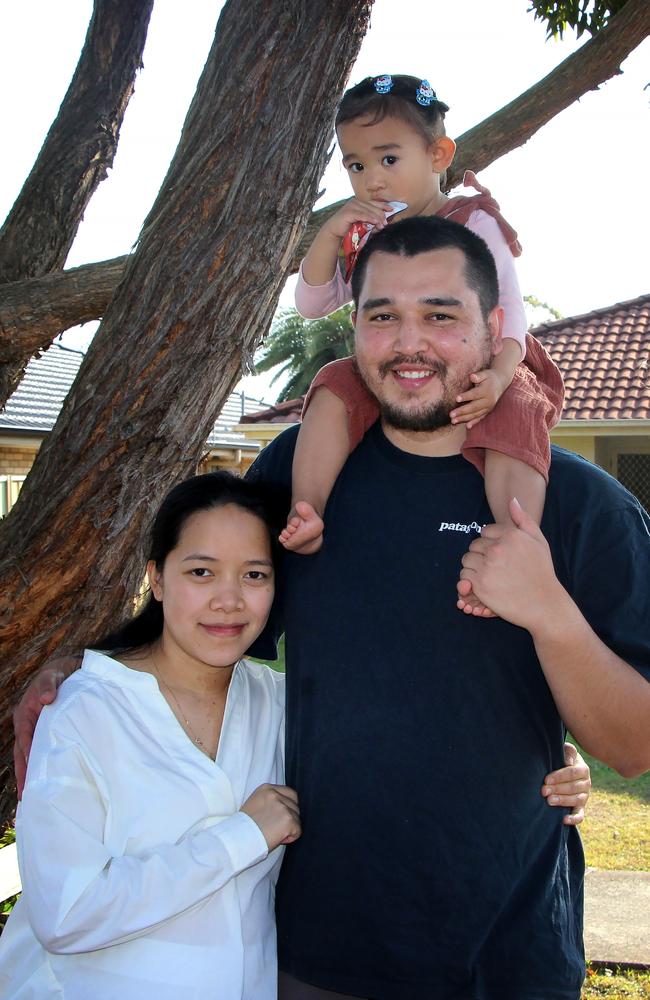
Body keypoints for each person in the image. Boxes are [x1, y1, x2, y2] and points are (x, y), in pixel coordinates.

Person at [245, 216, 649, 1000]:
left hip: (507, 956)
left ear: (494, 328)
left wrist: (550, 612)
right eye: (382, 316)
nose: (409, 342)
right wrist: (70, 672)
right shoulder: (298, 481)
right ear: (353, 327)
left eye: (441, 315)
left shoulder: (583, 506)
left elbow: (634, 748)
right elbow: (197, 634)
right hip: (318, 951)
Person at [0, 472, 300, 1000]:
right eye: (202, 572)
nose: (229, 600)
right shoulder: (84, 711)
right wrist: (243, 835)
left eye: (254, 575)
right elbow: (66, 912)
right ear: (157, 579)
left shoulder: (278, 704)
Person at [280, 73, 563, 618]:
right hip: (392, 368)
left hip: (496, 356)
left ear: (438, 154)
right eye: (356, 166)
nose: (372, 180)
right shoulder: (365, 234)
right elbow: (314, 304)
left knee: (516, 409)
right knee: (333, 385)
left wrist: (500, 376)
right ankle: (308, 508)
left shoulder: (472, 220)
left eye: (388, 160)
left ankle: (511, 547)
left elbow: (510, 316)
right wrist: (329, 233)